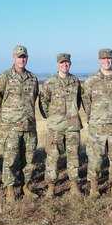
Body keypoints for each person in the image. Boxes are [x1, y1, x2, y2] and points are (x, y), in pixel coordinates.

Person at [0, 45, 39, 202]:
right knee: (10, 160)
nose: (22, 59)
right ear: (13, 57)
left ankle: (25, 187)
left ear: (27, 58)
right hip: (11, 128)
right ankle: (10, 190)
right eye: (19, 56)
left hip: (29, 127)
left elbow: (34, 99)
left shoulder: (33, 78)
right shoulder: (4, 78)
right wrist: (4, 117)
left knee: (29, 160)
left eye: (24, 56)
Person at [81, 48, 112, 198]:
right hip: (97, 125)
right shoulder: (91, 79)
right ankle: (94, 188)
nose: (106, 61)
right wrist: (94, 117)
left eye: (108, 58)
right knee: (95, 157)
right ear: (99, 60)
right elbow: (86, 101)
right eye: (103, 59)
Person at [39, 53, 83, 198]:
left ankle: (74, 185)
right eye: (62, 63)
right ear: (57, 64)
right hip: (55, 127)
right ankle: (51, 187)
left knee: (74, 157)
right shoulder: (50, 83)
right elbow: (43, 103)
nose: (65, 65)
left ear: (70, 64)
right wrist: (52, 118)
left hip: (72, 127)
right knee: (52, 157)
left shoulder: (75, 81)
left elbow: (78, 101)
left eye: (67, 63)